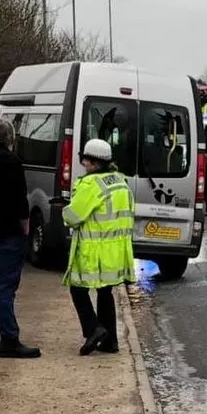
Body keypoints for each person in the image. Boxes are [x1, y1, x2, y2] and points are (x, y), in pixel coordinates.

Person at [62, 139, 135, 355]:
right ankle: (110, 341)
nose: (83, 163)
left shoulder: (91, 184)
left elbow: (74, 217)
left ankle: (93, 329)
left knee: (78, 289)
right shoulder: (121, 182)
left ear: (93, 162)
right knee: (105, 292)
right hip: (117, 251)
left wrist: (64, 210)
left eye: (85, 160)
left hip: (93, 251)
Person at [0, 119, 40, 358]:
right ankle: (9, 338)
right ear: (11, 138)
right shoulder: (13, 163)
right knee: (5, 287)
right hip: (8, 232)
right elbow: (20, 200)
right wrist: (26, 226)